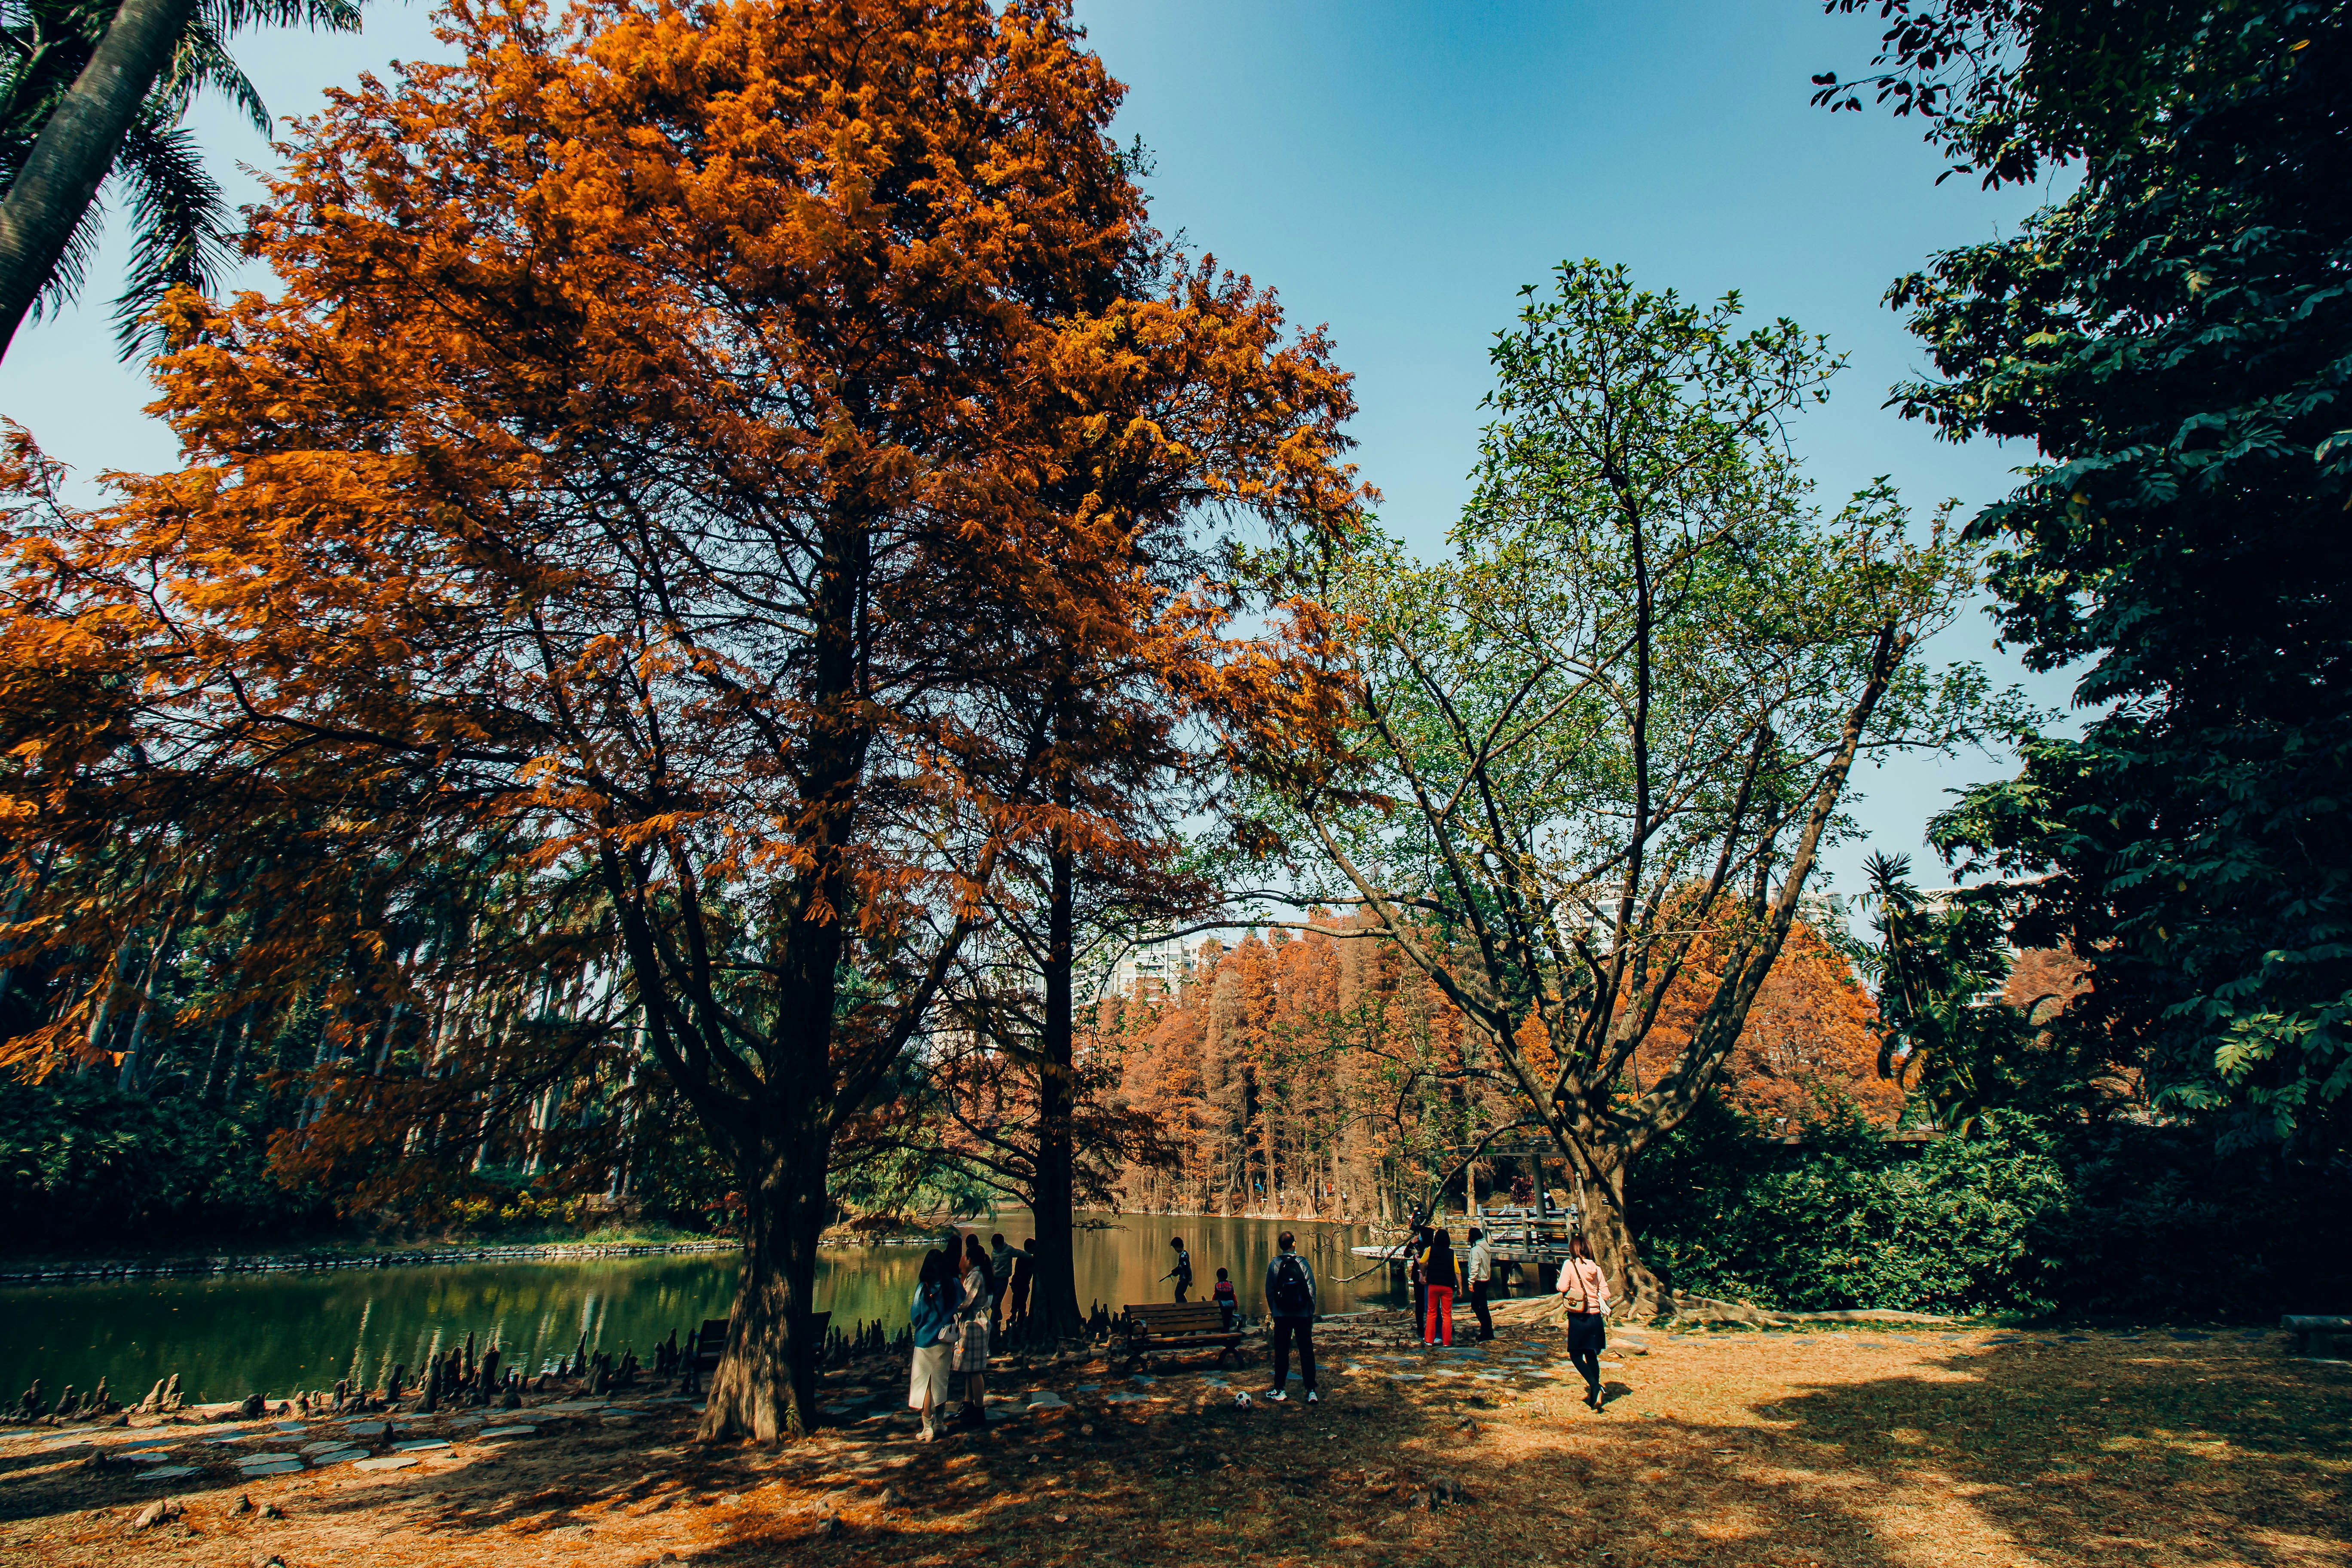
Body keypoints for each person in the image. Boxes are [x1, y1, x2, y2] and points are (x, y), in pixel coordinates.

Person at [906, 1249, 958, 1442]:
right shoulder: (952, 1284)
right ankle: (940, 1422)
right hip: (945, 1340)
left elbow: (915, 1316)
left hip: (925, 1340)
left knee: (925, 1384)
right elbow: (961, 1300)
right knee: (941, 1381)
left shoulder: (923, 1288)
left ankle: (927, 1427)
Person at [1556, 1231, 1611, 1409]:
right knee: (1591, 1354)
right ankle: (1596, 1393)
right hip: (1595, 1317)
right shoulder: (1597, 1268)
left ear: (1573, 1249)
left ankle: (1595, 1386)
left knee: (1575, 1354)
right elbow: (1607, 1293)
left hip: (1579, 1315)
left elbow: (1562, 1287)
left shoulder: (1570, 1265)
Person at [1262, 1229, 1319, 1403]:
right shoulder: (1302, 1263)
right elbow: (1311, 1289)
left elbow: (1270, 1292)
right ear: (1294, 1244)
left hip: (1282, 1315)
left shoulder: (1275, 1264)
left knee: (1282, 1352)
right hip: (1303, 1315)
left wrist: (1276, 1311)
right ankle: (1311, 1391)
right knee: (1306, 1351)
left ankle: (1280, 1389)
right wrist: (1309, 1310)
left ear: (1280, 1246)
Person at [956, 1233, 994, 1427]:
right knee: (969, 1368)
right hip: (972, 1324)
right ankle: (969, 1403)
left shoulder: (976, 1276)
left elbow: (965, 1301)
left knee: (975, 1369)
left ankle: (979, 1409)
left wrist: (949, 1306)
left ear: (970, 1259)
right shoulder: (976, 1274)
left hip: (975, 1326)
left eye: (965, 1257)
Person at [1422, 1227, 1459, 1346]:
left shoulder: (1430, 1250)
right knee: (1447, 1314)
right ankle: (1447, 1342)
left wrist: (1423, 1274)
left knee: (1431, 1313)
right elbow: (1457, 1271)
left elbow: (1422, 1262)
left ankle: (1429, 1340)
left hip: (1433, 1284)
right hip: (1447, 1286)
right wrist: (1460, 1288)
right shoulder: (1451, 1253)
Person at [1466, 1225, 1495, 1341]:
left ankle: (1487, 1331)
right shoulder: (1485, 1248)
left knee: (1477, 1306)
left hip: (1479, 1280)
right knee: (1483, 1306)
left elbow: (1475, 1267)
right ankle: (1487, 1330)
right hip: (1485, 1279)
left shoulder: (1476, 1250)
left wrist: (1471, 1282)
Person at [989, 1233, 1017, 1334]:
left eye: (996, 1246)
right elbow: (993, 1263)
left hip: (1003, 1280)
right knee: (992, 1302)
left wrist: (1030, 1256)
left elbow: (1019, 1253)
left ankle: (993, 1323)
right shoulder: (994, 1252)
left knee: (997, 1301)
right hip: (994, 1279)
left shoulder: (1009, 1250)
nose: (995, 1248)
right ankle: (998, 1315)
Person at [1007, 1239, 1036, 1332]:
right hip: (1021, 1284)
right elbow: (1030, 1270)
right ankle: (1019, 1320)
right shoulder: (1027, 1258)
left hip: (1018, 1283)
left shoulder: (1022, 1257)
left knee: (1017, 1301)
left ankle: (1016, 1318)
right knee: (1021, 1302)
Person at [1163, 1235, 1194, 1302]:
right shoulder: (1184, 1254)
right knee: (1179, 1294)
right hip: (1183, 1278)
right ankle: (1183, 1307)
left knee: (1178, 1294)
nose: (1175, 1250)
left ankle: (1183, 1308)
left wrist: (1189, 1280)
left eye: (1175, 1248)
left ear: (1178, 1246)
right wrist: (1175, 1272)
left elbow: (1186, 1268)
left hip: (1184, 1279)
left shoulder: (1183, 1256)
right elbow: (1181, 1267)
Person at [1212, 1266, 1239, 1330]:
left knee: (1223, 1316)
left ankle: (1224, 1329)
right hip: (1231, 1305)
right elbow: (1234, 1296)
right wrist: (1236, 1306)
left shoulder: (1218, 1285)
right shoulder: (1230, 1285)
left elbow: (1215, 1296)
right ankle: (1227, 1328)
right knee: (1228, 1317)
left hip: (1222, 1305)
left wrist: (1213, 1304)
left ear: (1219, 1277)